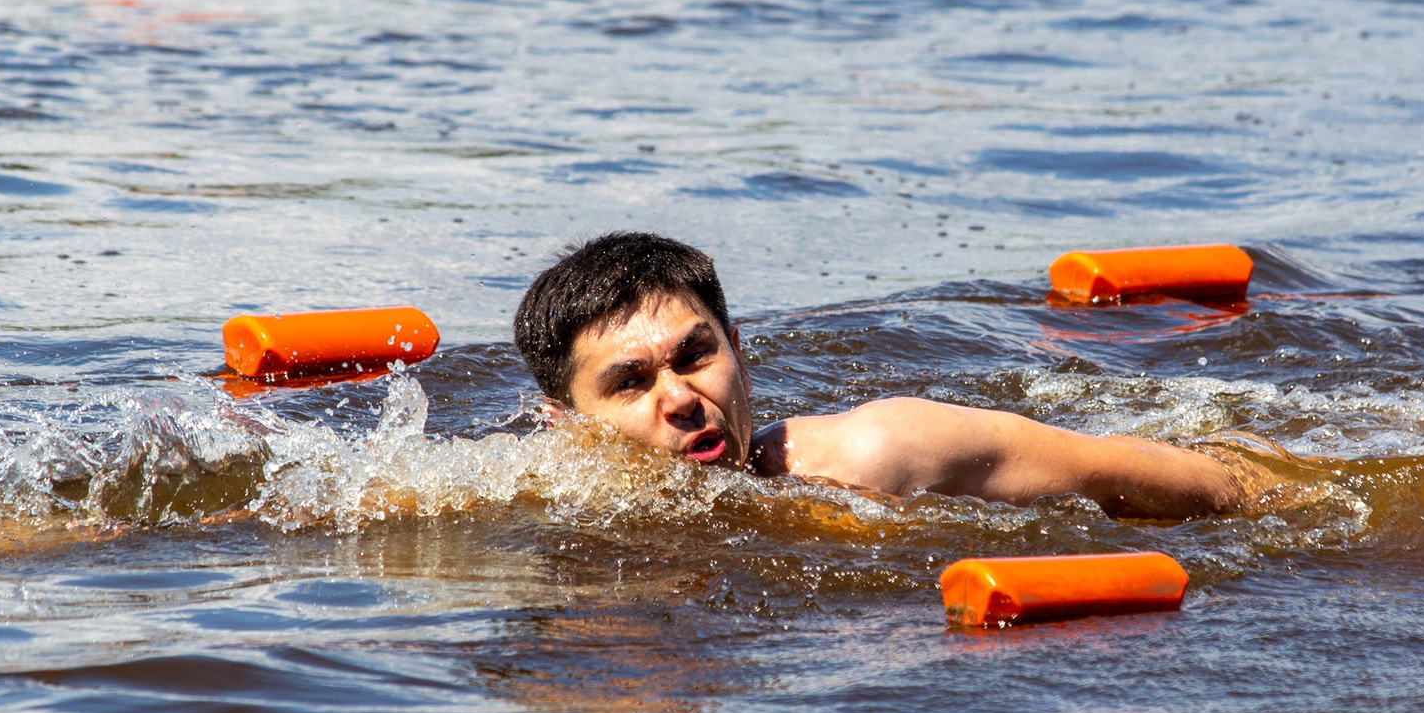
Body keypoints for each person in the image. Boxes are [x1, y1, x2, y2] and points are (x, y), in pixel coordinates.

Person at [513, 231, 1283, 519]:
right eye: (630, 383)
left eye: (695, 356)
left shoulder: (878, 453)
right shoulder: (534, 500)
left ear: (739, 349)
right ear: (563, 422)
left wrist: (1296, 498)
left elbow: (1141, 473)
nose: (680, 398)